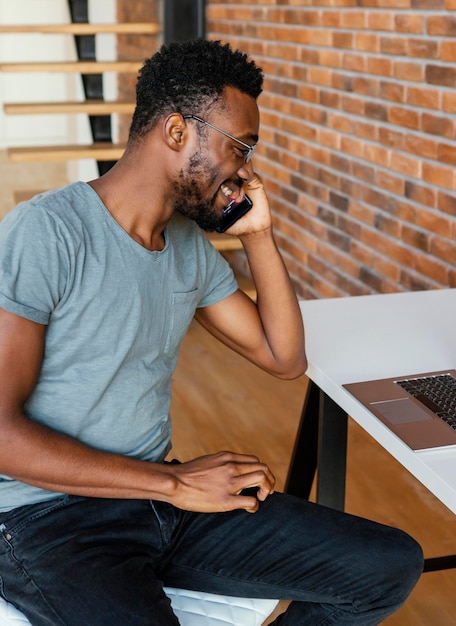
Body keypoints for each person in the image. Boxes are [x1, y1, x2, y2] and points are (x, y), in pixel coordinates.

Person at [0, 39, 423, 625]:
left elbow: (283, 357)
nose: (246, 169)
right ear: (177, 132)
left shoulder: (189, 250)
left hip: (157, 502)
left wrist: (258, 234)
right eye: (239, 146)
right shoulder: (46, 232)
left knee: (388, 565)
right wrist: (175, 484)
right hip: (48, 521)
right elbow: (2, 434)